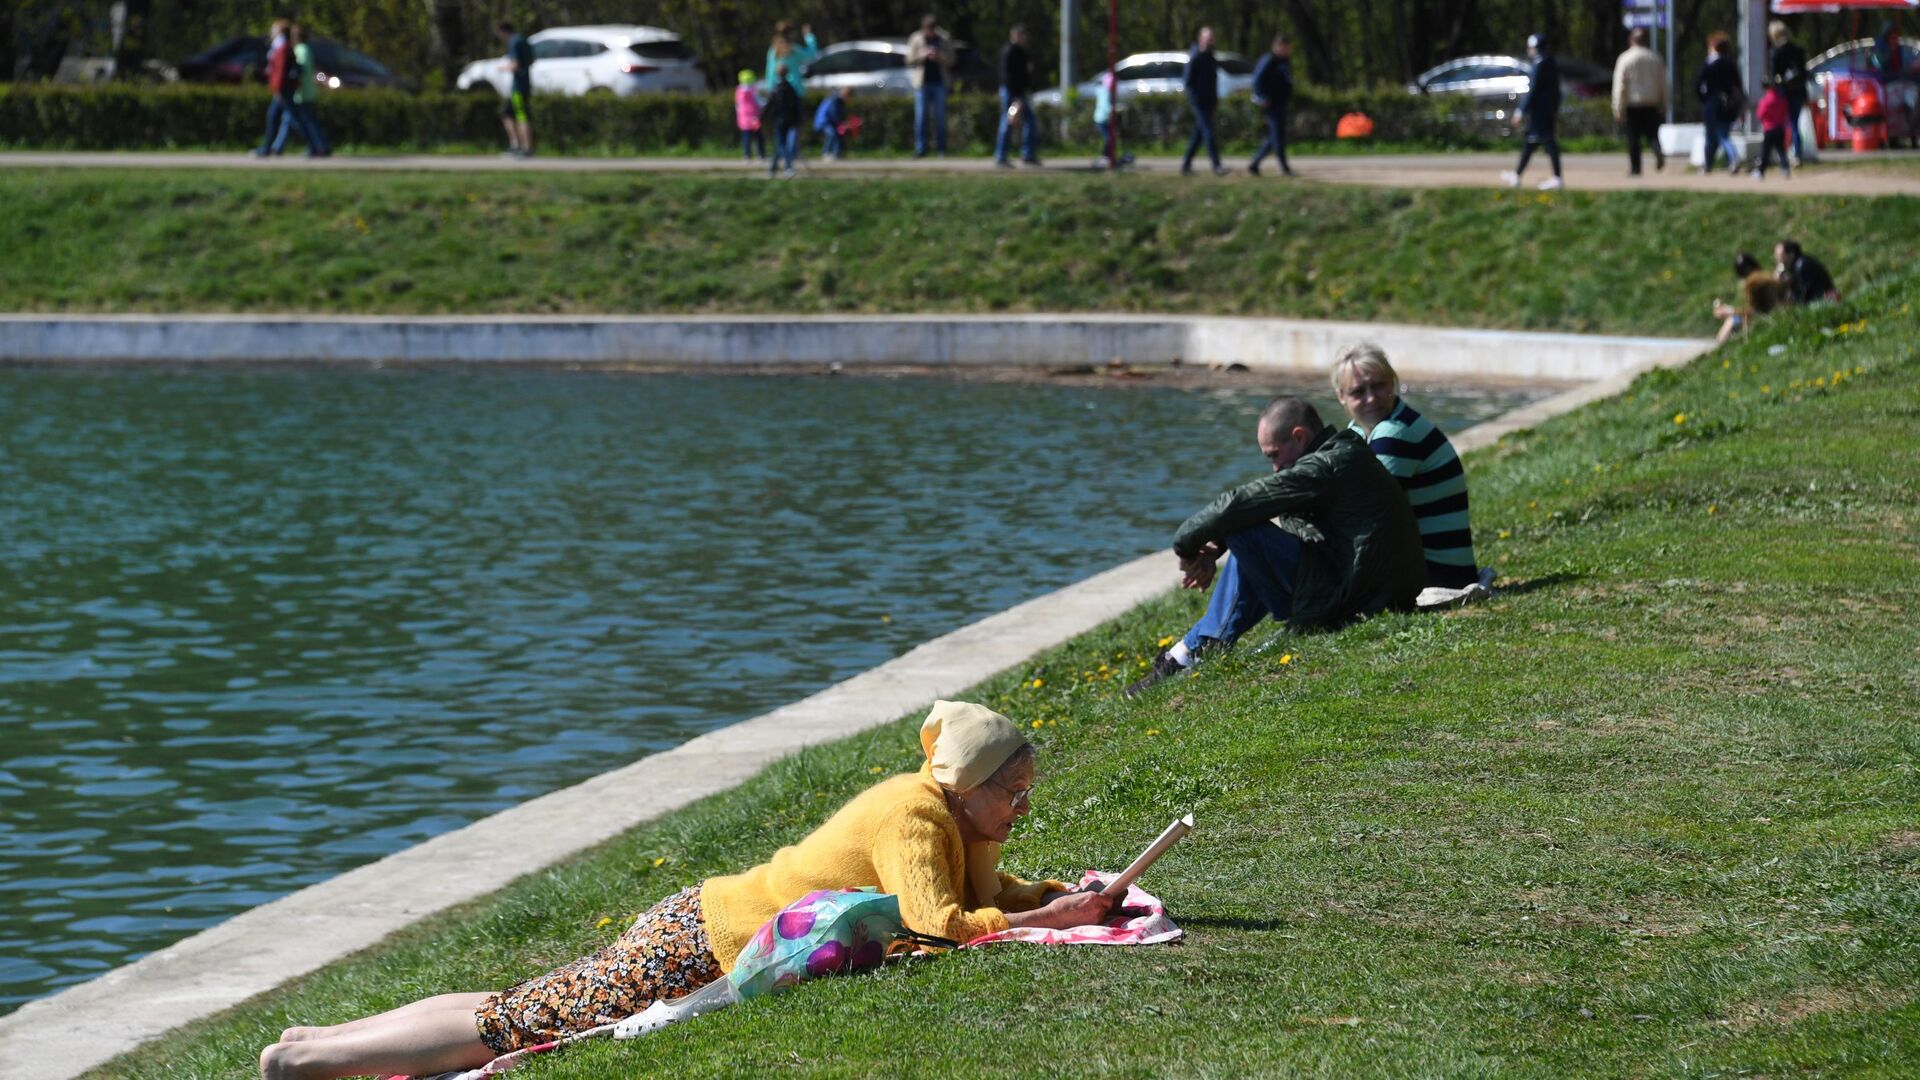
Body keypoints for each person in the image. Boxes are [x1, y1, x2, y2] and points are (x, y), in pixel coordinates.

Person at [257, 701, 1110, 1080]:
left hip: (699, 919)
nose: (1021, 806)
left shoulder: (955, 821)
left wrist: (1050, 897)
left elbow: (981, 895)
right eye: (1012, 792)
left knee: (518, 1003)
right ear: (965, 783)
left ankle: (319, 1033)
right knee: (510, 1025)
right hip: (703, 943)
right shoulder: (915, 816)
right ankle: (301, 1062)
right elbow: (941, 924)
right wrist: (1044, 917)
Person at [1124, 396, 1426, 697]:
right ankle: (1191, 651)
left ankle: (1196, 650)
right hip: (1366, 591)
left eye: (1274, 455)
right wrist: (1218, 547)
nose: (1274, 467)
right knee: (1246, 532)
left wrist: (1185, 545)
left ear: (1298, 436)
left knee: (1244, 527)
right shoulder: (1340, 456)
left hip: (1359, 600)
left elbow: (1236, 505)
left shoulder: (1327, 465)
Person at [1330, 344, 1483, 592]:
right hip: (1443, 570)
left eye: (1378, 385)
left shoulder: (1395, 431)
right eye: (1358, 391)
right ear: (1341, 397)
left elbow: (1366, 513)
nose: (1371, 398)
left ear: (1393, 382)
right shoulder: (1361, 429)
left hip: (1438, 576)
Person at [1501, 32, 1564, 190]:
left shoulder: (1540, 63)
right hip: (1547, 109)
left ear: (1535, 48)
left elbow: (1533, 90)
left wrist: (1520, 111)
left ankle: (1557, 178)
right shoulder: (1550, 62)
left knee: (1548, 142)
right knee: (1531, 142)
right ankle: (1516, 176)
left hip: (1539, 112)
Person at [1612, 27, 1668, 176]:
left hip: (1633, 103)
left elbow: (1619, 85)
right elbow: (1663, 83)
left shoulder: (1625, 58)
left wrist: (1618, 107)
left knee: (1633, 137)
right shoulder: (1655, 58)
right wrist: (1664, 103)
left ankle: (1636, 169)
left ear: (1631, 40)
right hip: (1651, 103)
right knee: (1652, 134)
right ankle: (1657, 150)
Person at [269, 24, 330, 158]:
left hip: (302, 92)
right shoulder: (304, 49)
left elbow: (300, 70)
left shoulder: (301, 50)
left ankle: (319, 146)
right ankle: (279, 146)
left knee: (305, 121)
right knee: (292, 119)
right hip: (303, 91)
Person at [1712, 252, 1788, 344]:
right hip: (1779, 313)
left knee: (1731, 321)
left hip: (1767, 317)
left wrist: (1730, 311)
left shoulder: (1752, 283)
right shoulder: (1764, 276)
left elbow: (1753, 311)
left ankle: (1721, 347)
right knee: (1733, 319)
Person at [907, 14, 956, 157]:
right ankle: (921, 149)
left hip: (939, 82)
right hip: (922, 84)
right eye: (927, 29)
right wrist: (921, 55)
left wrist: (939, 56)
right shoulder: (916, 38)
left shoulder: (944, 38)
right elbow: (908, 59)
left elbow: (952, 60)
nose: (929, 32)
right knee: (921, 117)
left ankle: (941, 149)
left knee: (940, 117)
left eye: (932, 29)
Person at [1696, 32, 1744, 175]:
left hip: (1712, 103)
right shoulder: (1731, 63)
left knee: (1712, 137)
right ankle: (1711, 164)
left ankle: (1717, 162)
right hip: (1728, 104)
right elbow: (1738, 85)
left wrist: (1703, 99)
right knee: (1723, 134)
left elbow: (1698, 84)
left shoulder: (1709, 64)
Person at [1179, 27, 1226, 176]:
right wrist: (1195, 97)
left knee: (1198, 135)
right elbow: (1188, 81)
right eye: (1207, 37)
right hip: (1199, 101)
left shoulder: (1211, 57)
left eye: (1212, 37)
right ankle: (1216, 165)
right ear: (1200, 39)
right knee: (1208, 132)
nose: (1210, 40)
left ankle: (1186, 164)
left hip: (1210, 100)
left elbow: (1213, 80)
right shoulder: (1196, 56)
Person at [1248, 35, 1294, 177]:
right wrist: (1261, 97)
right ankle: (1284, 168)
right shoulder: (1269, 60)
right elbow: (1256, 80)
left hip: (1281, 102)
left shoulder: (1284, 61)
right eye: (1285, 46)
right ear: (1278, 46)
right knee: (1278, 136)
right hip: (1271, 103)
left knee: (1274, 137)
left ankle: (1254, 163)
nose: (1288, 49)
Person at [995, 24, 1040, 166]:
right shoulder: (1009, 52)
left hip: (1021, 94)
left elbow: (1027, 74)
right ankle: (1001, 156)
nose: (1022, 38)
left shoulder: (1024, 53)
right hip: (1011, 94)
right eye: (1019, 35)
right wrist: (1015, 98)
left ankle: (1028, 154)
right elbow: (1007, 76)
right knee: (1008, 120)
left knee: (1030, 120)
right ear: (1014, 36)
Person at [249, 19, 295, 158]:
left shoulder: (281, 45)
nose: (271, 32)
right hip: (282, 88)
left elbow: (280, 70)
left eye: (274, 29)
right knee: (284, 117)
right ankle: (269, 147)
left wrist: (277, 88)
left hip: (282, 88)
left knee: (281, 117)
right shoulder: (279, 45)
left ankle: (317, 144)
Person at [1767, 20, 1809, 165]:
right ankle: (1797, 153)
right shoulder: (1798, 50)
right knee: (1794, 123)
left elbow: (1773, 76)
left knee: (1783, 124)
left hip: (1783, 92)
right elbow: (1805, 74)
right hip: (1798, 91)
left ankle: (1782, 153)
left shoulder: (1776, 52)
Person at [497, 21, 535, 159]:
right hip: (525, 84)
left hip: (518, 87)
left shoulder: (514, 42)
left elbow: (515, 64)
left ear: (503, 31)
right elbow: (532, 60)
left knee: (519, 115)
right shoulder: (523, 40)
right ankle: (520, 146)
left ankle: (522, 147)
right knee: (516, 114)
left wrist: (502, 68)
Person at [764, 21, 818, 102]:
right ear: (791, 34)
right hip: (795, 91)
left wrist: (770, 90)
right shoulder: (794, 49)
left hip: (777, 91)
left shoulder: (773, 50)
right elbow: (812, 55)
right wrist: (808, 36)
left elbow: (770, 72)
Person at [764, 64, 802, 178]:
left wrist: (761, 118)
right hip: (789, 121)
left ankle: (787, 168)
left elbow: (769, 106)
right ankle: (773, 169)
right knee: (780, 145)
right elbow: (797, 106)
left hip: (779, 121)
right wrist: (798, 120)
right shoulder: (791, 89)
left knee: (781, 144)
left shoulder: (776, 89)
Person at [1776, 239, 1838, 304]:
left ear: (1791, 254)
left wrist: (1791, 284)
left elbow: (1805, 292)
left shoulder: (1802, 265)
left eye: (1780, 255)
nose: (1778, 259)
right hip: (1820, 299)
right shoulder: (1796, 264)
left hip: (1825, 300)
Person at [1754, 78, 1791, 181]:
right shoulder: (1781, 99)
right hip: (1780, 128)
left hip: (1769, 129)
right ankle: (1785, 169)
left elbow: (1760, 114)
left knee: (1765, 152)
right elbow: (1785, 113)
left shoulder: (1765, 100)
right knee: (1781, 150)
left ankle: (1761, 172)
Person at [814, 86, 853, 159]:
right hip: (823, 122)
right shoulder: (835, 100)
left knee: (840, 133)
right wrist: (843, 124)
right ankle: (826, 153)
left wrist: (844, 123)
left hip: (830, 122)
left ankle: (837, 153)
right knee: (832, 133)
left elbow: (840, 116)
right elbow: (833, 114)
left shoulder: (839, 101)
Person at [734, 70, 765, 161]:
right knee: (758, 136)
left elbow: (737, 105)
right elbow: (759, 102)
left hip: (743, 118)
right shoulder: (753, 91)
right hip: (754, 118)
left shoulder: (738, 91)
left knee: (746, 137)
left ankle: (746, 154)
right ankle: (761, 154)